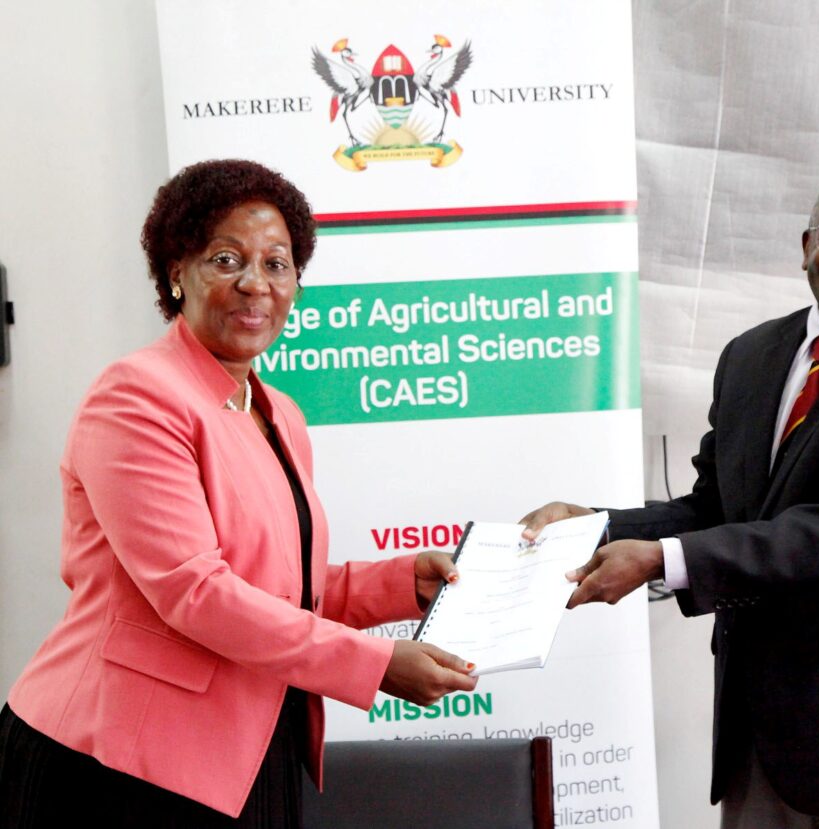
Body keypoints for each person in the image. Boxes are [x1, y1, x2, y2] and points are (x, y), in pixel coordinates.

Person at [0, 159, 477, 827]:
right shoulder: (136, 396)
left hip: (252, 745)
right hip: (120, 762)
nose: (256, 284)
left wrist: (404, 585)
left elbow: (278, 586)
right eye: (226, 259)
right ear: (177, 272)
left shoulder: (277, 410)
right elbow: (196, 591)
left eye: (277, 264)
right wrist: (372, 664)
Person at [521, 168, 819, 828]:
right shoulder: (749, 356)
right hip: (760, 741)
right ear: (806, 246)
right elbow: (718, 509)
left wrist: (662, 559)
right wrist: (595, 528)